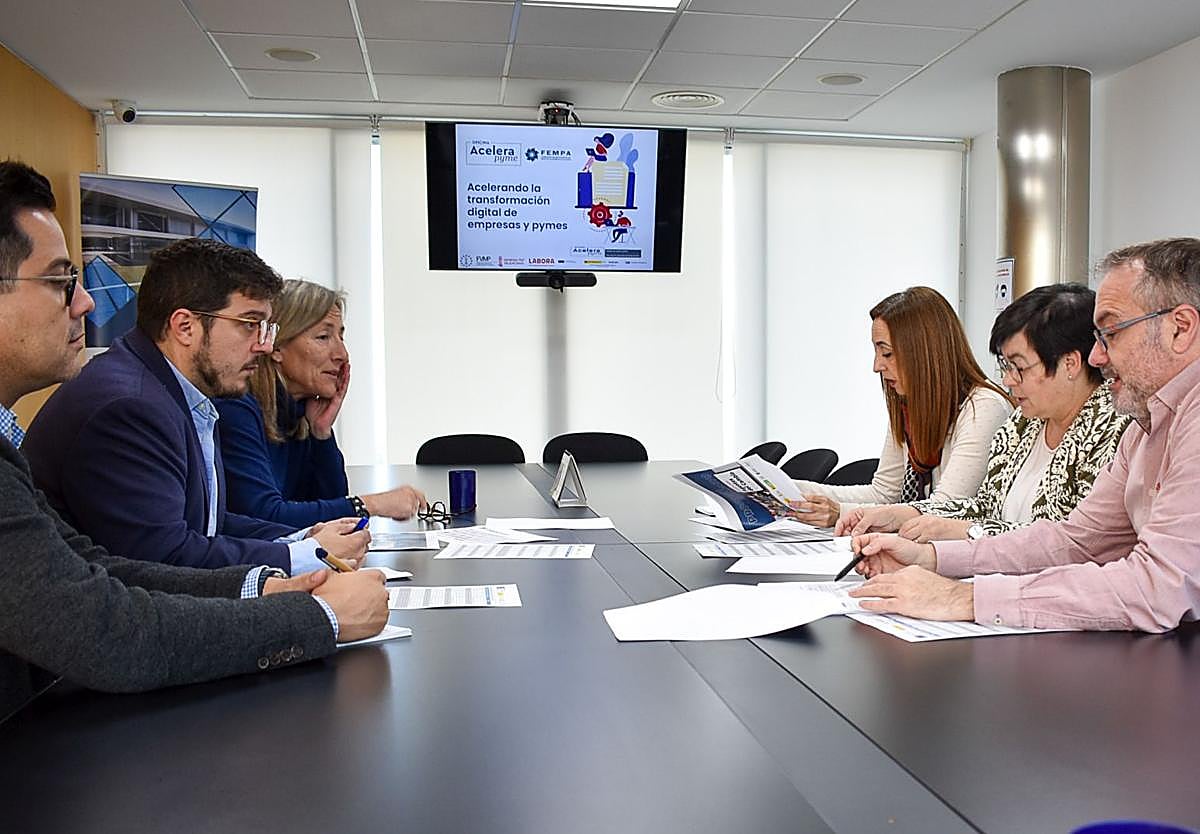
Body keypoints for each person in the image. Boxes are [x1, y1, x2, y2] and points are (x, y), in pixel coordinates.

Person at [0, 159, 387, 720]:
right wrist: (320, 615)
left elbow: (99, 566)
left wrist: (264, 587)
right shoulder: (128, 403)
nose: (85, 302)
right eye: (62, 282)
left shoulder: (167, 396)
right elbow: (110, 627)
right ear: (185, 327)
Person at [849, 238, 1200, 632]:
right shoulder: (1147, 425)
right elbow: (1076, 541)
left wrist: (962, 597)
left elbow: (1160, 587)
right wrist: (931, 559)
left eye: (1111, 334)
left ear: (1180, 328)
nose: (1097, 357)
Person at [21, 236, 369, 573]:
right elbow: (164, 557)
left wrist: (303, 538)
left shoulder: (175, 391)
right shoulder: (129, 407)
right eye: (249, 325)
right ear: (185, 327)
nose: (263, 346)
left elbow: (209, 525)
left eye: (265, 328)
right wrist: (304, 556)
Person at [838, 284, 1130, 541]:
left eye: (1019, 367)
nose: (1007, 380)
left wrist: (966, 532)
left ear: (1070, 363)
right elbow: (983, 505)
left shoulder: (1113, 428)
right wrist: (902, 514)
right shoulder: (1023, 423)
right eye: (1006, 366)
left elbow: (1071, 539)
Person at [790, 286, 1012, 526]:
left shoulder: (984, 408)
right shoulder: (911, 406)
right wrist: (787, 488)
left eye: (887, 353)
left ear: (923, 353)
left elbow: (945, 509)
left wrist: (842, 513)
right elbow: (885, 494)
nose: (877, 366)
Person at [215, 279, 425, 528]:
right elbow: (264, 516)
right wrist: (371, 504)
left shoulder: (298, 412)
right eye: (323, 337)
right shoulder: (236, 409)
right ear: (276, 347)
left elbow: (333, 517)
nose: (342, 354)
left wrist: (321, 434)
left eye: (341, 336)